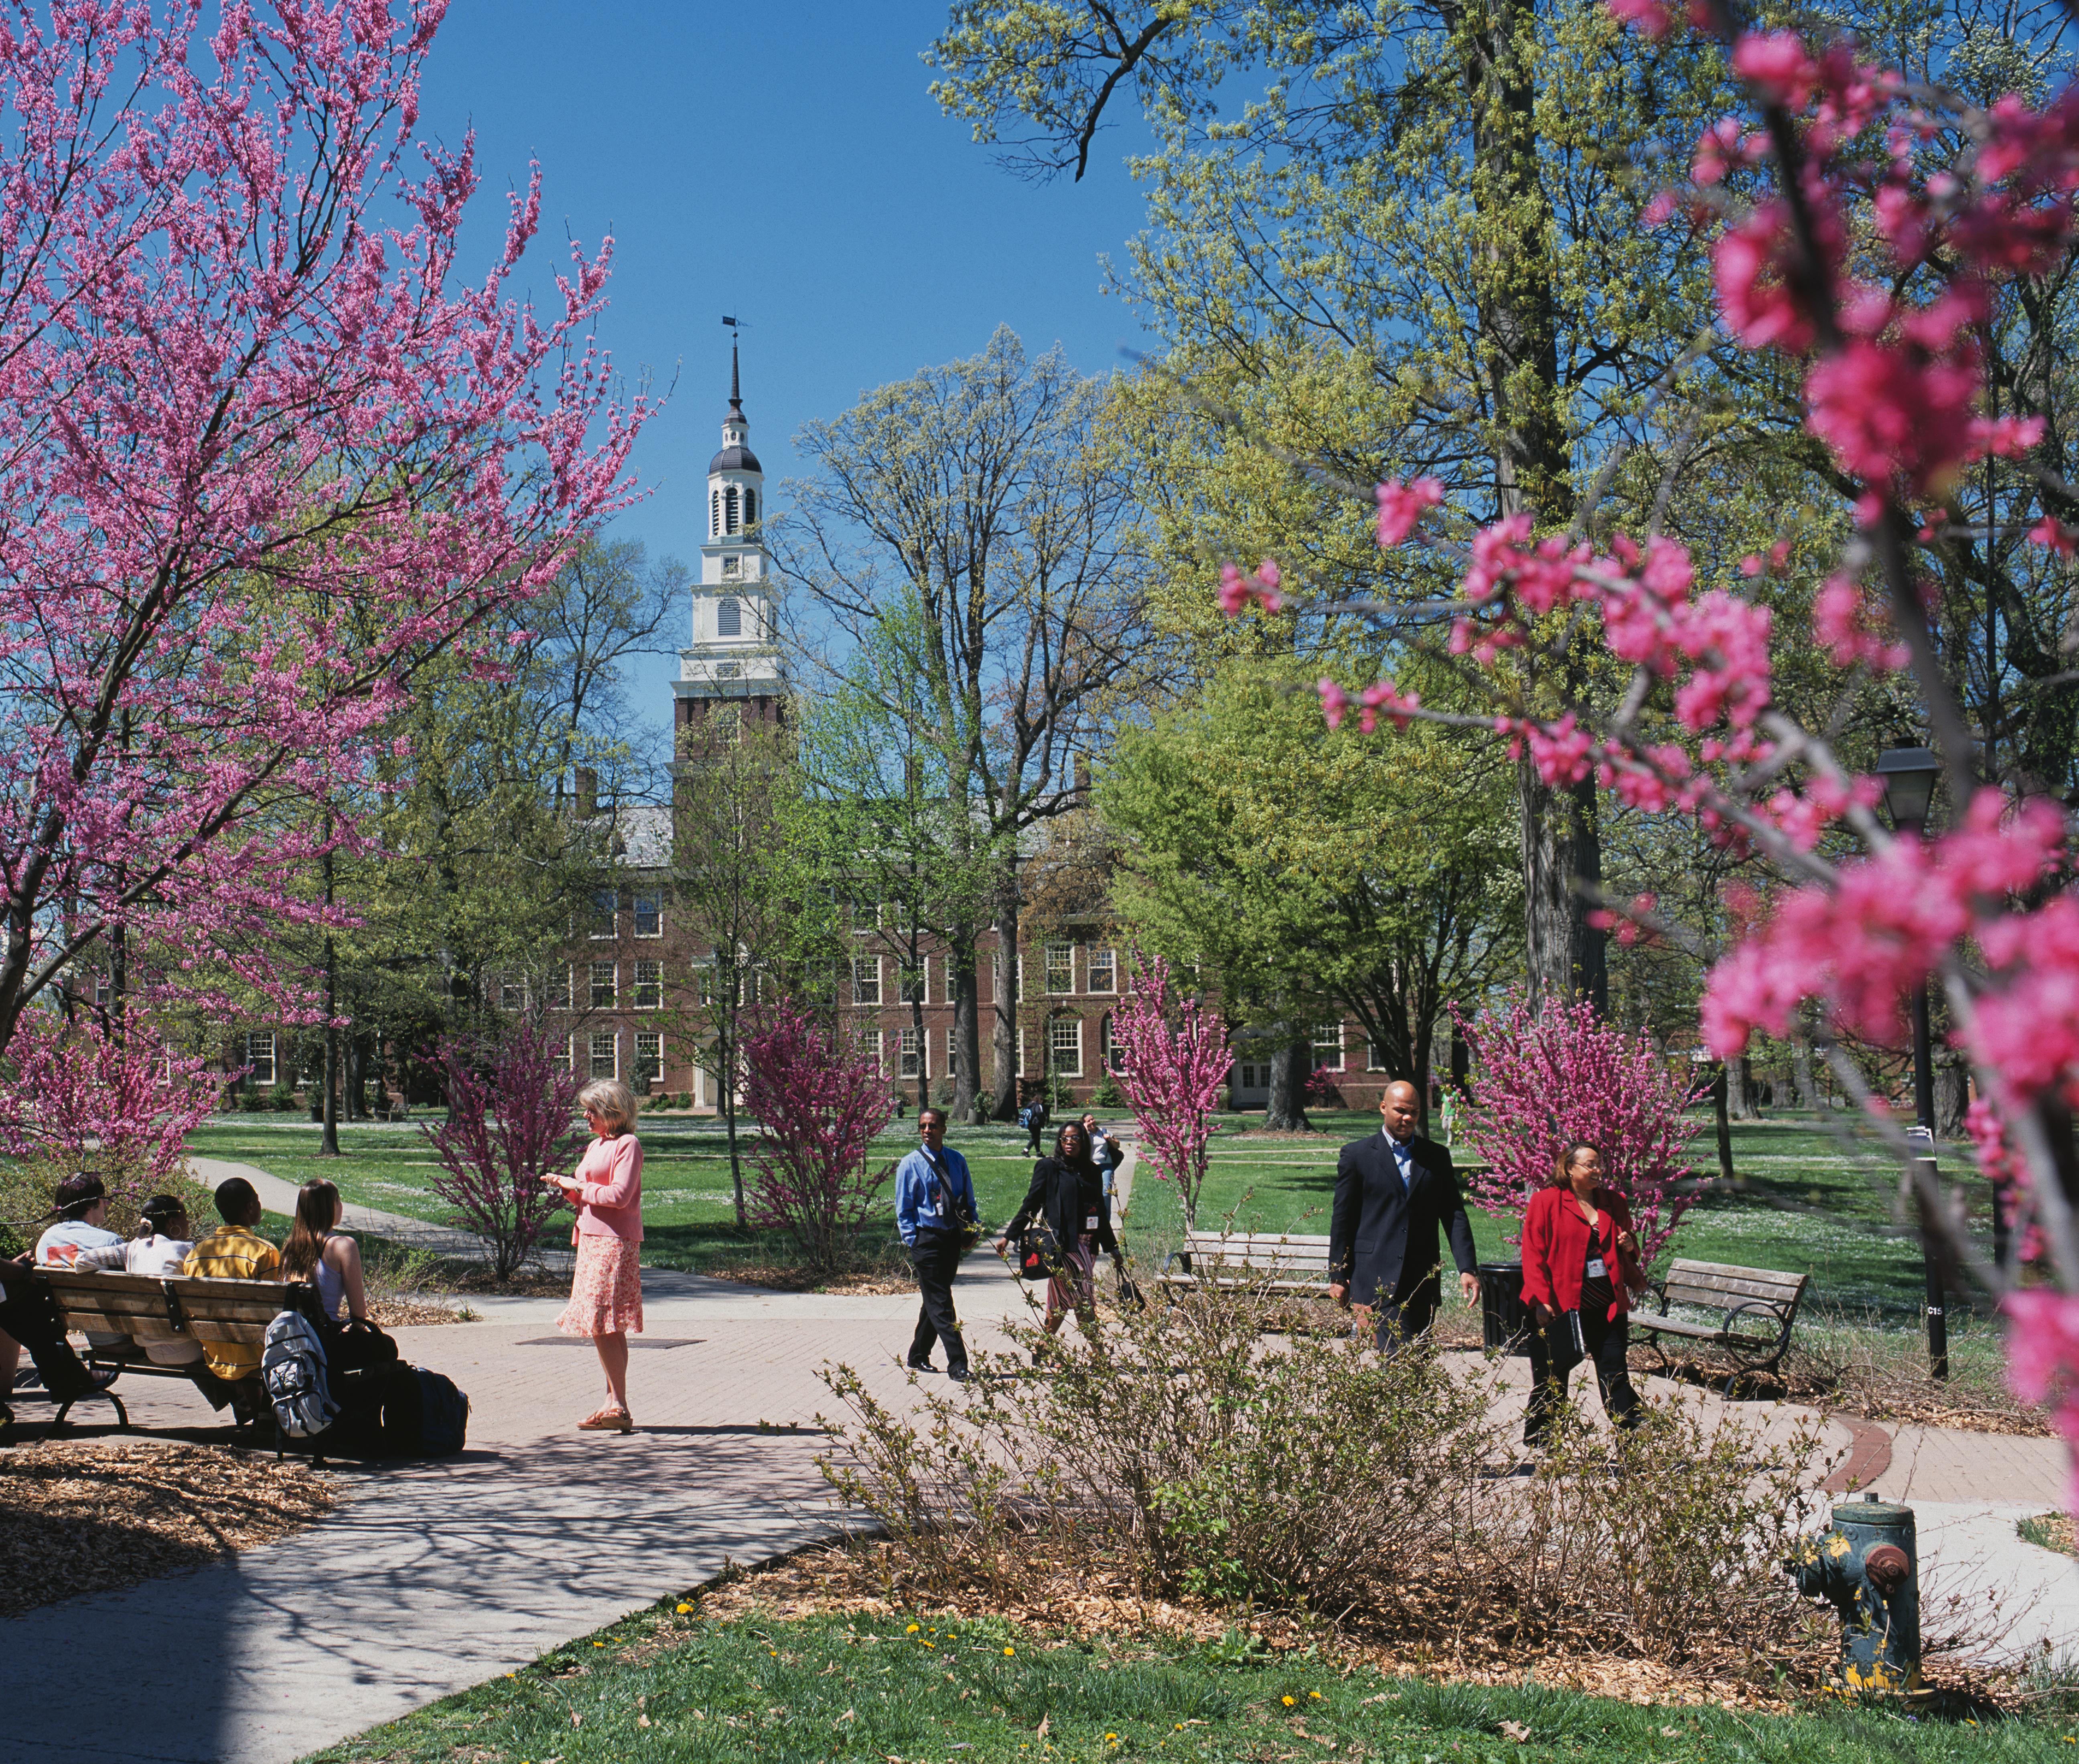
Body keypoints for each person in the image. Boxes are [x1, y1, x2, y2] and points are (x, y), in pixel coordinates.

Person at [1329, 1080, 1479, 1352]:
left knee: (1418, 1361)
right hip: (1377, 1277)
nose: (1408, 1118)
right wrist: (1338, 1274)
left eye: (1414, 1112)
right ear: (1383, 1108)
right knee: (1398, 1359)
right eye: (1400, 1110)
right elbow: (1343, 1219)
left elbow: (1454, 1214)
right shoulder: (1357, 1156)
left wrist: (1467, 1268)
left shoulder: (1436, 1157)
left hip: (1422, 1279)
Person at [1520, 1142, 1647, 1448]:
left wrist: (1630, 1245)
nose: (1598, 1170)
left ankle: (1632, 1437)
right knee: (1553, 1375)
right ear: (1569, 1169)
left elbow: (1628, 1247)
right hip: (1561, 1307)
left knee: (1614, 1373)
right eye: (1590, 1165)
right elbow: (1533, 1254)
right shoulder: (1545, 1201)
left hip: (1607, 1305)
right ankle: (1544, 1442)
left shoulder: (1614, 1202)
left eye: (1599, 1164)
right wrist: (1540, 1300)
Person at [542, 1078, 644, 1432]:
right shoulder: (595, 1145)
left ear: (611, 1111)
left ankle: (618, 1405)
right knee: (606, 1324)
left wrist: (579, 1186)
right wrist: (566, 1188)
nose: (585, 1116)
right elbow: (587, 1195)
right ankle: (612, 1403)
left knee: (602, 1320)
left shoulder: (628, 1145)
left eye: (592, 1110)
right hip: (590, 1238)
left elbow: (619, 1196)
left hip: (614, 1242)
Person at [1003, 1119, 1124, 1347]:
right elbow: (1032, 1203)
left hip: (1087, 1246)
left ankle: (1043, 1349)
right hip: (1061, 1246)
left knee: (1062, 1300)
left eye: (1075, 1138)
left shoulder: (1092, 1171)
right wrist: (1009, 1235)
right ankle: (1097, 1352)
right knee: (1082, 1296)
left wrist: (1113, 1248)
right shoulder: (1049, 1167)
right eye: (1065, 1138)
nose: (1070, 1142)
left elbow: (1099, 1211)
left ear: (1084, 1142)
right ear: (1060, 1142)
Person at [181, 1176, 283, 1421]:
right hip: (254, 1350)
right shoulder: (264, 1252)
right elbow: (275, 1312)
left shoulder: (196, 1254)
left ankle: (249, 1405)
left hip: (215, 1349)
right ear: (251, 1207)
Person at [278, 1178, 398, 1381]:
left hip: (293, 1341)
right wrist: (352, 1328)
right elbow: (359, 1315)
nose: (341, 1206)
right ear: (329, 1207)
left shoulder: (290, 1249)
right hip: (326, 1345)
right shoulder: (343, 1246)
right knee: (387, 1346)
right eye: (338, 1200)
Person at [895, 1107, 978, 1383]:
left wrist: (972, 1229)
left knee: (934, 1299)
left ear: (944, 1128)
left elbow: (968, 1198)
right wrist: (913, 1240)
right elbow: (903, 1209)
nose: (927, 1131)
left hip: (951, 1237)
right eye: (923, 1126)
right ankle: (958, 1364)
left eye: (932, 1126)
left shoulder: (957, 1160)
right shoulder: (910, 1164)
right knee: (942, 1301)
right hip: (926, 1239)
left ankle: (918, 1354)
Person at [70, 1193, 201, 1366]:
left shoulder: (132, 1249)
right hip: (188, 1348)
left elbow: (82, 1261)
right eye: (185, 1217)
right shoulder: (186, 1250)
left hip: (150, 1350)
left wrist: (136, 1244)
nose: (188, 1223)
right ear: (172, 1222)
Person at [1020, 1092, 1050, 1156]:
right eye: (1041, 1100)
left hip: (1029, 1123)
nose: (1042, 1101)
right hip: (1036, 1123)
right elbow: (1039, 1113)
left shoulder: (1030, 1105)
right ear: (1039, 1100)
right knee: (1035, 1138)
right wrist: (1044, 1120)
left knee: (1037, 1137)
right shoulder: (1038, 1106)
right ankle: (1026, 1150)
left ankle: (1038, 1153)